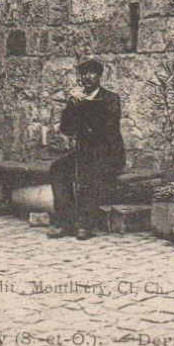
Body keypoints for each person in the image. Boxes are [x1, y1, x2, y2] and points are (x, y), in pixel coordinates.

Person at [47, 58, 126, 241]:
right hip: (84, 152)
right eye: (83, 74)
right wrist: (72, 106)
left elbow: (107, 130)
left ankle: (85, 224)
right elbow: (66, 129)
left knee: (89, 171)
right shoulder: (77, 99)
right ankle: (65, 222)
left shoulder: (110, 99)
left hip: (108, 154)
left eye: (91, 73)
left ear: (99, 76)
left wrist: (83, 109)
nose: (87, 77)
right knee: (58, 168)